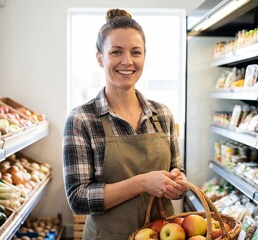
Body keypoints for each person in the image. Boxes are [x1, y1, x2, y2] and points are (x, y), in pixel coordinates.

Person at [63, 8, 187, 239]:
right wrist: (142, 183)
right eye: (116, 52)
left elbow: (176, 173)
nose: (127, 61)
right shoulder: (82, 119)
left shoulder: (162, 115)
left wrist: (178, 183)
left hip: (162, 234)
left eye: (136, 52)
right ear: (100, 58)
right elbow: (78, 200)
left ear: (144, 57)